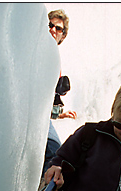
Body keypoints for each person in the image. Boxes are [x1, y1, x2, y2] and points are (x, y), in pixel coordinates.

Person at [42, 10, 77, 177]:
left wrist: (59, 114)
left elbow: (46, 103)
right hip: (31, 118)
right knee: (55, 154)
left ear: (62, 36)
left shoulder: (54, 60)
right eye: (50, 25)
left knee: (56, 155)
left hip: (41, 119)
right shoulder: (33, 51)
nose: (53, 30)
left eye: (58, 28)